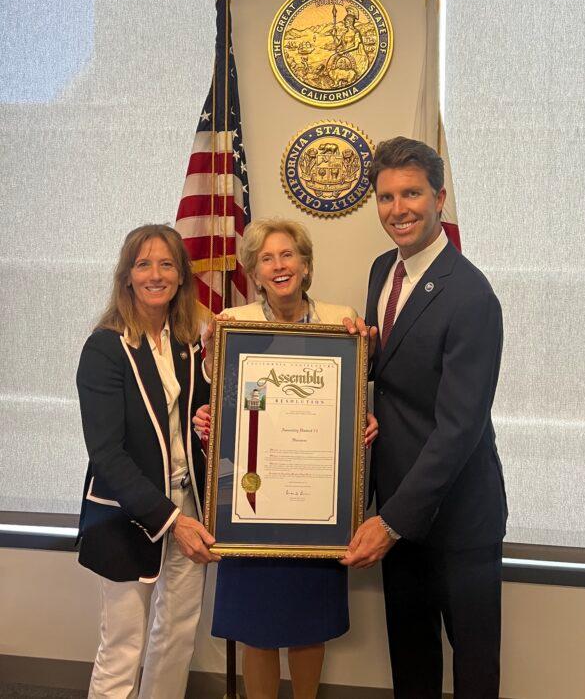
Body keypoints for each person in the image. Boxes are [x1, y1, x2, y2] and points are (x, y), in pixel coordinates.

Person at [342, 137, 508, 699]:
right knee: (410, 661)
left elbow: (458, 429)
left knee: (474, 669)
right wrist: (358, 351)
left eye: (411, 193)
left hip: (459, 517)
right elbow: (391, 374)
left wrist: (389, 523)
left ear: (439, 198)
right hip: (399, 506)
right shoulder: (380, 271)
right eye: (386, 197)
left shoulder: (471, 295)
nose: (398, 209)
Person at [196, 218, 378, 699]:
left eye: (287, 255)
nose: (279, 266)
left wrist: (365, 421)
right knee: (255, 627)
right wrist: (209, 423)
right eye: (266, 258)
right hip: (250, 503)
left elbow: (353, 409)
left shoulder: (341, 322)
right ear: (254, 272)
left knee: (307, 623)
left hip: (316, 506)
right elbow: (224, 412)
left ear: (305, 264)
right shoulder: (232, 326)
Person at [76, 224, 218, 699]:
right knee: (122, 647)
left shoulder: (187, 343)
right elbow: (106, 454)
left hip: (190, 505)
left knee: (176, 639)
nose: (155, 274)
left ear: (180, 277)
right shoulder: (105, 347)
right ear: (127, 276)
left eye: (166, 264)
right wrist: (172, 519)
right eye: (143, 264)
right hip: (128, 514)